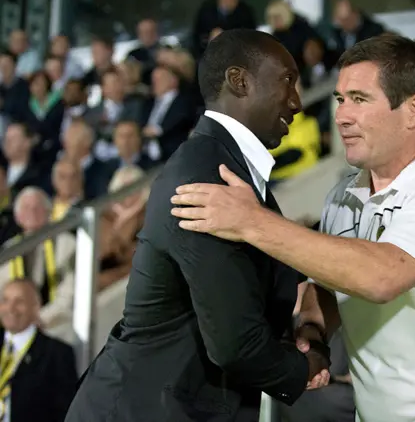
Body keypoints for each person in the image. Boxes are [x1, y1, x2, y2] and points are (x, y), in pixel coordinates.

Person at [171, 34, 415, 421]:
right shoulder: (342, 194)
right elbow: (329, 282)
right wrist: (313, 328)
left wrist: (251, 221)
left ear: (414, 110)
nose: (341, 116)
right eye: (340, 100)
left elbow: (381, 277)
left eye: (359, 99)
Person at [64, 29, 330, 422]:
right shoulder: (205, 175)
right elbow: (234, 343)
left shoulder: (230, 171)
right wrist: (306, 366)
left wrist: (307, 325)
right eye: (287, 81)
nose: (296, 100)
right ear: (239, 81)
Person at [0, 279, 78, 422]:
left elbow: (65, 412)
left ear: (36, 307)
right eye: (5, 300)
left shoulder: (57, 354)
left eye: (19, 302)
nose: (10, 308)